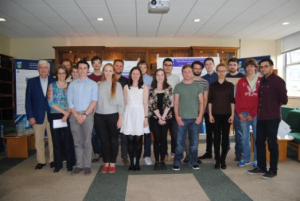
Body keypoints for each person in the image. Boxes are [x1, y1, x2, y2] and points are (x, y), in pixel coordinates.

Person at [248, 58, 288, 179]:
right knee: (259, 142)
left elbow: (284, 100)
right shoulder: (263, 81)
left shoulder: (278, 81)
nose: (263, 69)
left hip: (272, 117)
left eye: (265, 66)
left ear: (271, 67)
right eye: (261, 67)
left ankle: (273, 170)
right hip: (261, 117)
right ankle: (261, 167)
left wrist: (272, 104)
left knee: (272, 144)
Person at [67, 60, 98, 175]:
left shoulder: (93, 84)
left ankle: (87, 165)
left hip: (87, 115)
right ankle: (79, 165)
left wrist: (84, 115)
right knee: (77, 141)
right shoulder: (72, 84)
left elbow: (94, 101)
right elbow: (69, 101)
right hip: (74, 115)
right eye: (80, 68)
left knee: (87, 141)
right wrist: (75, 115)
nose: (82, 70)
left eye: (84, 68)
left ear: (87, 70)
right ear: (78, 70)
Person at [172, 64, 204, 171]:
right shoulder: (178, 86)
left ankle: (193, 161)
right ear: (182, 73)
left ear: (192, 73)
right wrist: (177, 117)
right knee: (179, 142)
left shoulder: (198, 86)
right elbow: (176, 103)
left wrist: (200, 116)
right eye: (185, 72)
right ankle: (177, 161)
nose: (187, 74)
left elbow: (202, 102)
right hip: (181, 119)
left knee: (194, 142)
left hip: (195, 119)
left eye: (189, 71)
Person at [94, 63, 124, 174]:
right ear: (103, 72)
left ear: (113, 72)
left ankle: (112, 162)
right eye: (106, 70)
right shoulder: (99, 84)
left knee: (114, 141)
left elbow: (121, 104)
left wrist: (120, 119)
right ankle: (106, 162)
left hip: (113, 116)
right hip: (99, 116)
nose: (108, 73)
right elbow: (95, 101)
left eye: (110, 70)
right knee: (104, 141)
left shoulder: (117, 85)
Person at [25, 60, 55, 170]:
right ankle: (41, 161)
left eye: (45, 68)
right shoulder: (32, 82)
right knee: (39, 140)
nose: (43, 70)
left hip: (52, 114)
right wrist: (30, 116)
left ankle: (52, 159)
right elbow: (28, 101)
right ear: (38, 69)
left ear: (49, 69)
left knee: (53, 139)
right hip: (37, 115)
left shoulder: (54, 81)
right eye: (41, 68)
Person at [121, 67, 150, 171]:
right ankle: (131, 163)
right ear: (130, 75)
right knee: (130, 140)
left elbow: (146, 103)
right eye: (133, 73)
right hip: (128, 114)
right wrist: (123, 117)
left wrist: (146, 118)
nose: (135, 75)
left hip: (140, 114)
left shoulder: (144, 87)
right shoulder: (125, 87)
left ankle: (137, 162)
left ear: (140, 75)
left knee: (138, 140)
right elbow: (124, 103)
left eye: (137, 73)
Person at [47, 65, 74, 173]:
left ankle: (70, 163)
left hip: (69, 115)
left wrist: (67, 114)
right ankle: (58, 164)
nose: (61, 75)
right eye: (59, 73)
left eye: (63, 73)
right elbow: (50, 102)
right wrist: (64, 112)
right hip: (55, 115)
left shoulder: (71, 86)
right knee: (56, 141)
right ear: (56, 74)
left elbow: (74, 101)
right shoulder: (52, 86)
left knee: (68, 140)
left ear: (66, 74)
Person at [235, 59, 261, 168]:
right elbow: (237, 98)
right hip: (243, 113)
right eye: (247, 66)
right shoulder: (241, 81)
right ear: (245, 68)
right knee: (244, 138)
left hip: (257, 113)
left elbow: (261, 99)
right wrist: (239, 113)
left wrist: (253, 113)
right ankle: (245, 159)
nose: (249, 68)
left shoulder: (261, 80)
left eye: (251, 66)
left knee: (257, 137)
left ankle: (257, 160)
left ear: (255, 67)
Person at [208, 63, 235, 169]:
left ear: (226, 72)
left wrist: (232, 114)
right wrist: (210, 114)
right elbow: (210, 101)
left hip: (227, 114)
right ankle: (217, 159)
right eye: (219, 71)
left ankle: (223, 159)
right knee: (216, 138)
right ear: (216, 72)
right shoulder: (212, 85)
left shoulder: (230, 85)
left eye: (223, 71)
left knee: (225, 138)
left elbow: (232, 101)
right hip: (215, 114)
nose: (221, 73)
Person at [184, 61, 209, 164]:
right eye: (195, 68)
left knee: (195, 136)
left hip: (198, 112)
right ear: (192, 69)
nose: (197, 70)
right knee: (186, 136)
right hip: (186, 112)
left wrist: (201, 113)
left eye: (199, 68)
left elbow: (205, 98)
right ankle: (188, 156)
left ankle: (194, 156)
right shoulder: (185, 81)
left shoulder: (205, 82)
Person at [149, 69, 172, 170]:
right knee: (156, 139)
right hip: (155, 118)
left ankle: (162, 161)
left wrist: (163, 117)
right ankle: (157, 161)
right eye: (158, 75)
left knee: (163, 139)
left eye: (162, 75)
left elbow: (169, 103)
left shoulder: (169, 88)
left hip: (166, 117)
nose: (160, 77)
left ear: (164, 76)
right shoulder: (151, 90)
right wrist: (159, 117)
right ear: (155, 77)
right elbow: (152, 105)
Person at [226, 57, 245, 161]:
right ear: (228, 66)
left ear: (238, 66)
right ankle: (226, 149)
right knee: (225, 131)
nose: (232, 67)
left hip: (238, 108)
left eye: (234, 65)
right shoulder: (225, 76)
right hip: (226, 108)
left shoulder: (243, 78)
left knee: (239, 132)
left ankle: (239, 153)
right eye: (230, 65)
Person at [199, 58, 218, 160]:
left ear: (213, 64)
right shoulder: (202, 79)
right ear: (204, 66)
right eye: (206, 64)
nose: (208, 66)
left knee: (217, 133)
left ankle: (217, 153)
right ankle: (208, 152)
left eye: (210, 64)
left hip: (218, 110)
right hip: (207, 110)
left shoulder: (219, 76)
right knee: (209, 133)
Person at [162, 58, 180, 161]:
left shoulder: (176, 78)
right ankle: (164, 153)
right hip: (162, 110)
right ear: (163, 66)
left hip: (173, 109)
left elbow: (179, 94)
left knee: (174, 133)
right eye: (166, 65)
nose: (168, 67)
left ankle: (173, 153)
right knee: (163, 134)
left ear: (172, 67)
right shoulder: (159, 77)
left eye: (170, 65)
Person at [113, 59, 129, 165]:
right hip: (111, 111)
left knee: (124, 135)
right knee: (113, 136)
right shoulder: (109, 79)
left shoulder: (126, 81)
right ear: (114, 66)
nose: (119, 67)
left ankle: (124, 156)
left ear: (123, 68)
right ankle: (112, 156)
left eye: (121, 66)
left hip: (123, 111)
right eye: (117, 65)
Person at [137, 60, 153, 165]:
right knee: (137, 133)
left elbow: (152, 94)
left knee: (147, 134)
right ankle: (136, 155)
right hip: (136, 110)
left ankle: (147, 155)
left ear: (147, 69)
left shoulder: (151, 79)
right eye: (140, 67)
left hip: (148, 110)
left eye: (144, 67)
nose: (142, 69)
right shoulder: (133, 78)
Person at [88, 56, 102, 163]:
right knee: (93, 133)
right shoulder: (89, 77)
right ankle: (97, 152)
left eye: (98, 62)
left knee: (102, 132)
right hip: (92, 109)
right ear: (92, 65)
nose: (96, 64)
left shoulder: (105, 76)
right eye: (94, 63)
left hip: (103, 109)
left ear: (101, 64)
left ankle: (103, 151)